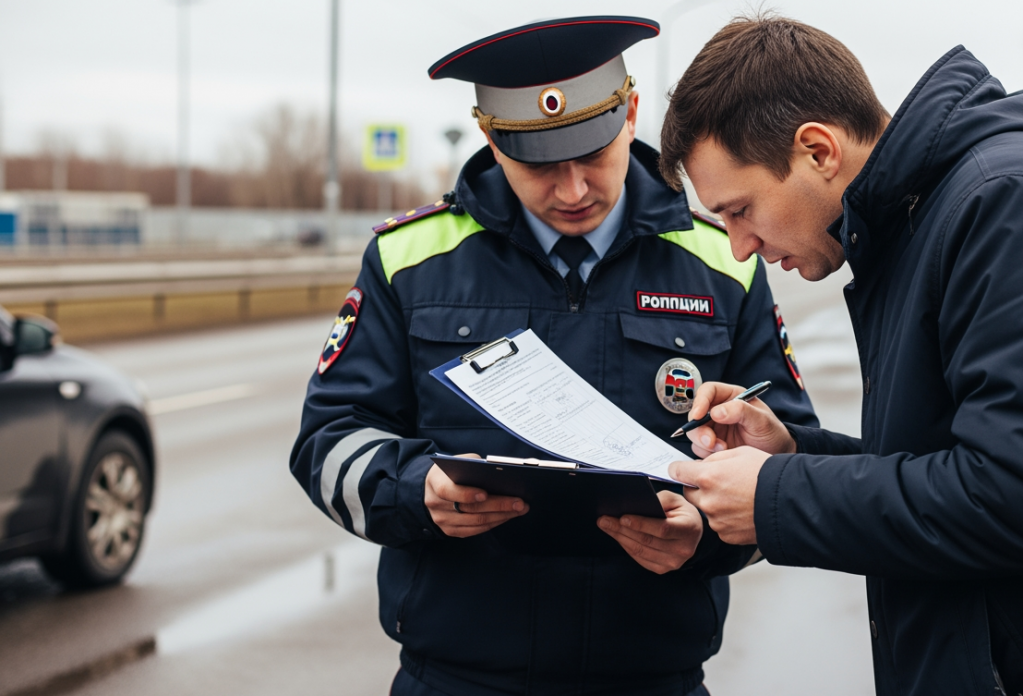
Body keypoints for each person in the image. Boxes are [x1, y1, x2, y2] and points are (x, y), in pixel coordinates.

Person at [659, 15, 1023, 696]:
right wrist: (795, 459)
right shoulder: (920, 226)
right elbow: (951, 472)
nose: (739, 247)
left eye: (739, 210)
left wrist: (776, 499)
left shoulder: (1016, 205)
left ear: (818, 151)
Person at [289, 16, 817, 696]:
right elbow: (327, 443)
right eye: (539, 163)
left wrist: (706, 539)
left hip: (654, 678)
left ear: (629, 114)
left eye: (592, 155)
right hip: (455, 677)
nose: (572, 191)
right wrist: (417, 490)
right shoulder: (408, 261)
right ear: (489, 136)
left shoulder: (724, 266)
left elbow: (786, 466)